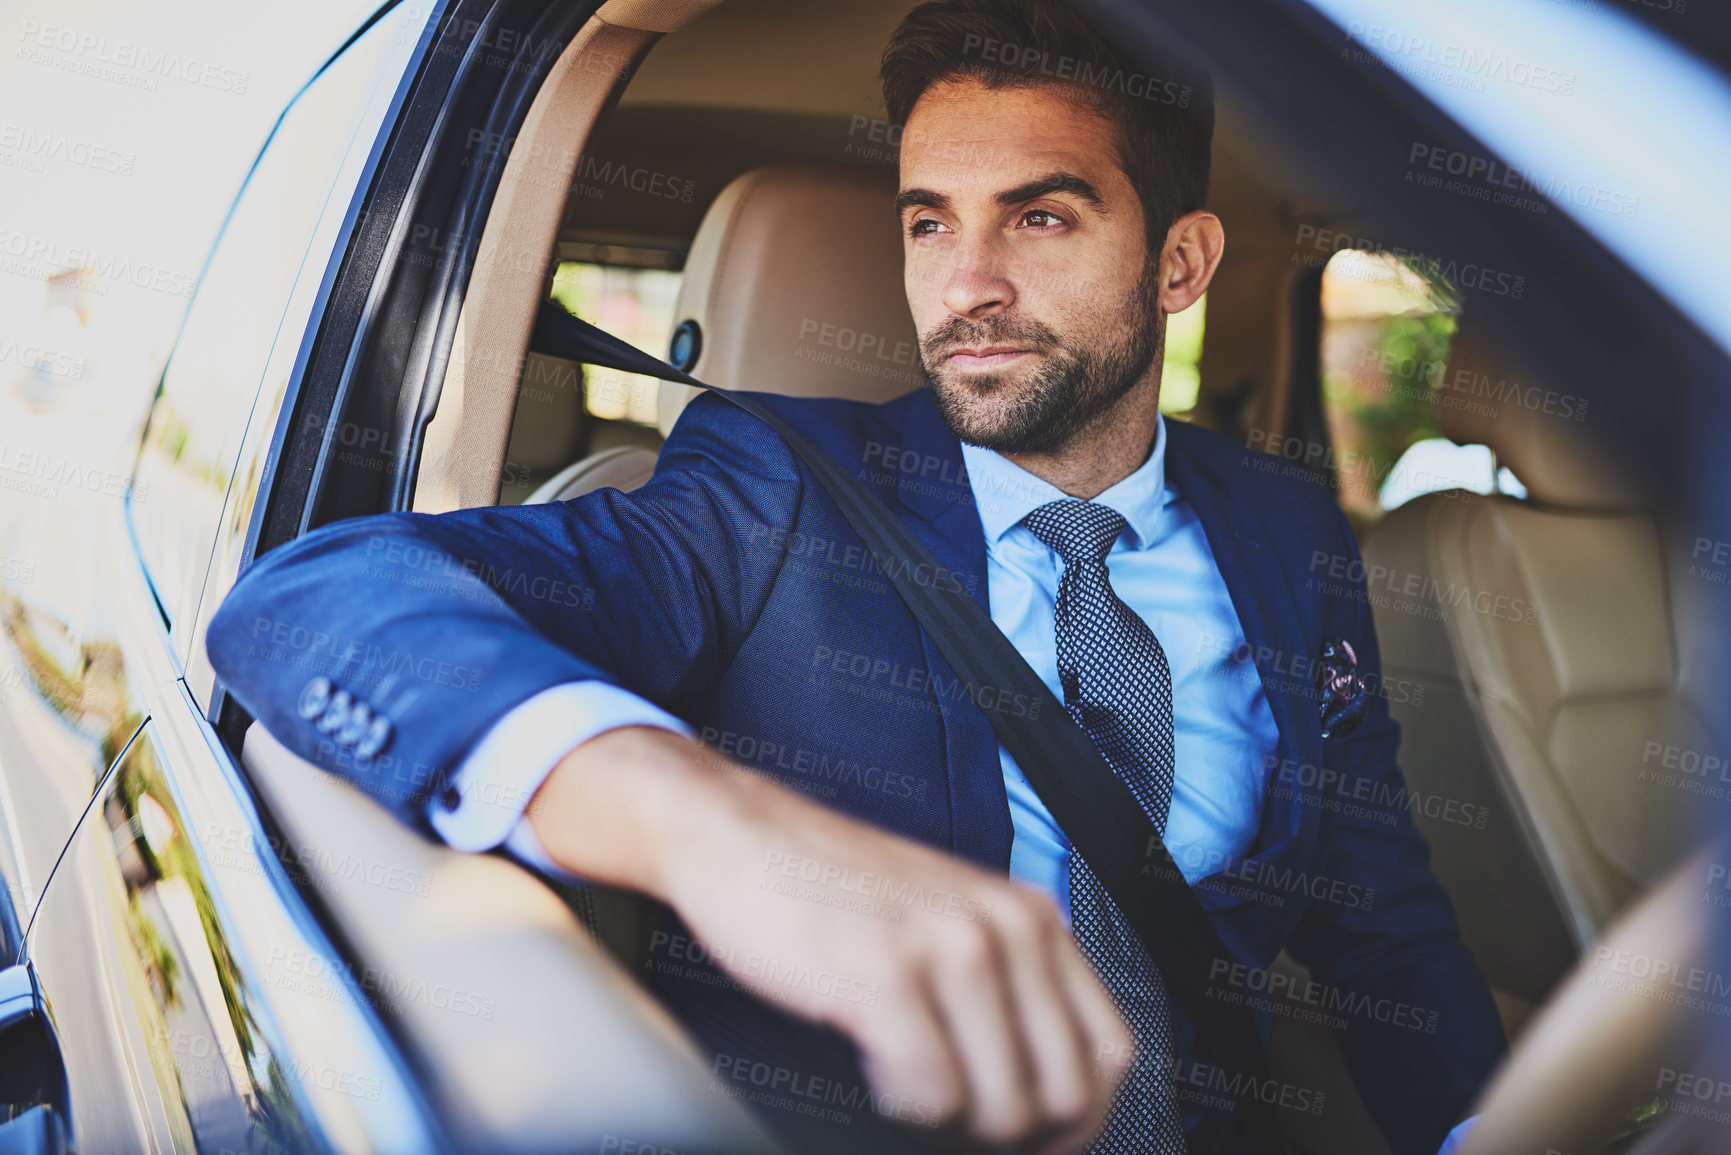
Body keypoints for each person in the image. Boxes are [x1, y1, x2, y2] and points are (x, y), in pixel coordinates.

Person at [207, 2, 1505, 1150]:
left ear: (1181, 263)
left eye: (1040, 216)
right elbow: (316, 594)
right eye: (928, 222)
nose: (966, 285)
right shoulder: (771, 482)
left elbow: (1380, 915)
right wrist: (715, 829)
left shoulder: (1288, 528)